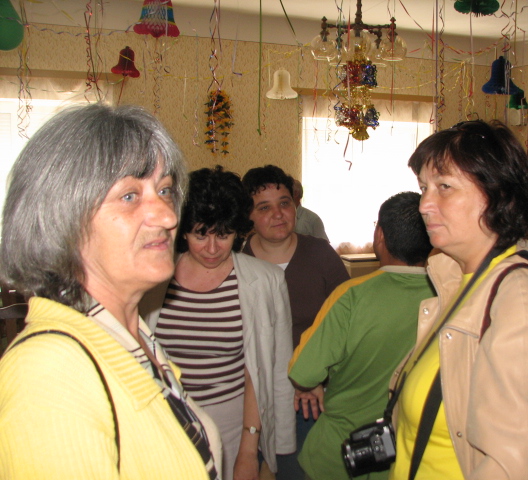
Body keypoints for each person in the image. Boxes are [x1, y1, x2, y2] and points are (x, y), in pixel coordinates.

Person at [0, 103, 221, 479]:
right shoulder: (48, 375)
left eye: (165, 190)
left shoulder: (134, 338)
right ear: (62, 217)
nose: (169, 216)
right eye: (130, 196)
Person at [389, 119, 528, 479]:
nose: (424, 204)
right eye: (423, 187)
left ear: (498, 194)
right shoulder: (459, 279)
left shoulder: (520, 299)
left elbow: (519, 465)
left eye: (444, 187)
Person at [140, 166, 296, 480]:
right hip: (161, 422)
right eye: (201, 234)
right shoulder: (151, 279)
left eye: (223, 235)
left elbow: (272, 371)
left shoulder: (265, 281)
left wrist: (253, 452)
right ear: (182, 230)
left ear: (238, 230)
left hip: (234, 428)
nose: (212, 248)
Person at [288, 191, 435, 480]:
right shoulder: (449, 295)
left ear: (380, 235)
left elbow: (302, 374)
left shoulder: (351, 296)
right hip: (410, 455)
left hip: (343, 454)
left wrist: (315, 383)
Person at [241, 165, 350, 480]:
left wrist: (316, 376)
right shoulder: (237, 261)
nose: (278, 214)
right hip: (251, 397)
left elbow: (345, 323)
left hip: (310, 396)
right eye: (264, 207)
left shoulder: (320, 254)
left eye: (284, 203)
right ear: (248, 215)